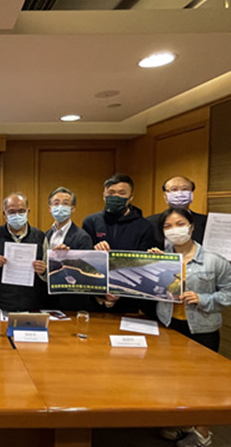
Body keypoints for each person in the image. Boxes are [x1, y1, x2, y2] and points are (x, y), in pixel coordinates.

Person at [149, 208, 230, 447]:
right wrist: (149, 264)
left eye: (180, 224)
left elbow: (228, 293)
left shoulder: (214, 261)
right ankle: (180, 422)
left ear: (192, 226)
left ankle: (202, 433)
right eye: (168, 226)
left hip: (202, 329)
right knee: (172, 378)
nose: (175, 230)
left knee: (204, 383)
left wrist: (203, 299)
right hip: (169, 327)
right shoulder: (161, 258)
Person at [82, 173, 155, 312]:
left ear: (131, 197)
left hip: (130, 300)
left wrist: (120, 291)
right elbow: (84, 258)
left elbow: (144, 265)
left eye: (122, 193)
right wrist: (94, 251)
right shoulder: (91, 222)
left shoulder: (144, 226)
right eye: (111, 193)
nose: (116, 197)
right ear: (104, 195)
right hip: (95, 299)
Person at [34, 187, 95, 311]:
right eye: (56, 203)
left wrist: (65, 258)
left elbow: (86, 271)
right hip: (47, 299)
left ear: (73, 209)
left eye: (65, 203)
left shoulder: (83, 237)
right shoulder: (45, 235)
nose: (60, 207)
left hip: (72, 301)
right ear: (50, 208)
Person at [0, 193, 45, 312]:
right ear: (4, 214)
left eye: (21, 211)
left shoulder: (40, 236)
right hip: (2, 302)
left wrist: (43, 270)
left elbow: (48, 274)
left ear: (28, 212)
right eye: (11, 212)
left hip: (33, 303)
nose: (17, 215)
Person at [147, 175, 208, 249]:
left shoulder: (206, 222)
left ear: (191, 194)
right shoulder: (150, 222)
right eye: (174, 189)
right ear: (165, 196)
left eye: (185, 189)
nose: (180, 193)